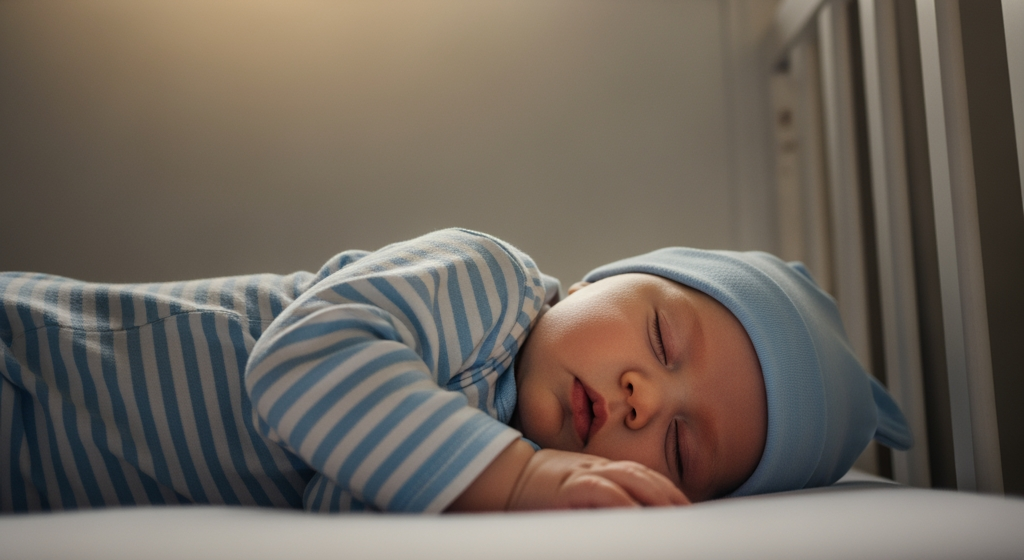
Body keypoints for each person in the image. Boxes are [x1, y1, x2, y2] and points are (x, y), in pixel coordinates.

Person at [0, 227, 911, 513]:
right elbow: (300, 366)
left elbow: (334, 496)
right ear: (599, 280)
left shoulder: (479, 485)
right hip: (32, 363)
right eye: (663, 341)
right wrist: (519, 478)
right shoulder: (487, 287)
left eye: (680, 442)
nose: (643, 396)